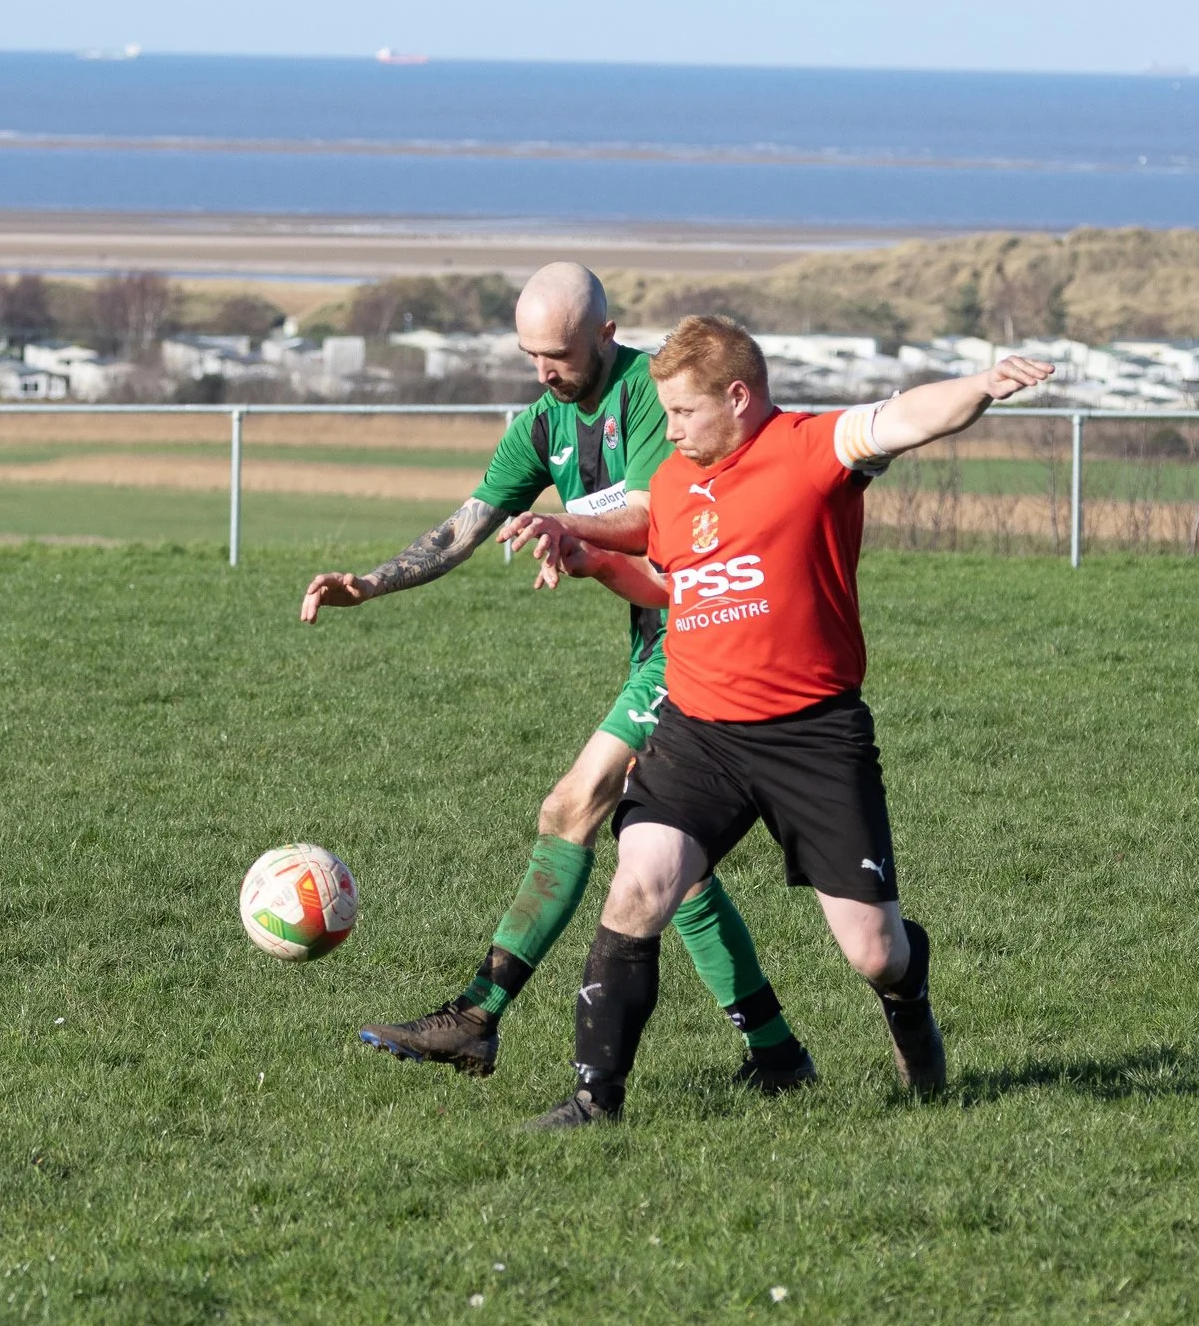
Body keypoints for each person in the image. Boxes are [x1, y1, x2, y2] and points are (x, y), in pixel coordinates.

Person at [527, 314, 1053, 1127]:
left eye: (683, 413)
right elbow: (672, 578)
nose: (668, 431)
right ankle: (596, 1099)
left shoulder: (812, 450)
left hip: (813, 737)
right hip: (700, 734)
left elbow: (905, 416)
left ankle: (908, 995)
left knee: (874, 953)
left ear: (738, 396)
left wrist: (981, 387)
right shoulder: (676, 479)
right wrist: (587, 550)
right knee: (640, 885)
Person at [299, 265, 816, 1092]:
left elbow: (655, 517)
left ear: (606, 337)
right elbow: (471, 523)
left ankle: (476, 1017)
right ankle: (779, 1054)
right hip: (660, 643)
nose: (543, 370)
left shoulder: (656, 396)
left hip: (706, 634)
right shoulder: (543, 424)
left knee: (571, 806)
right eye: (531, 353)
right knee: (669, 861)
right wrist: (370, 583)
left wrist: (565, 522)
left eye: (560, 354)